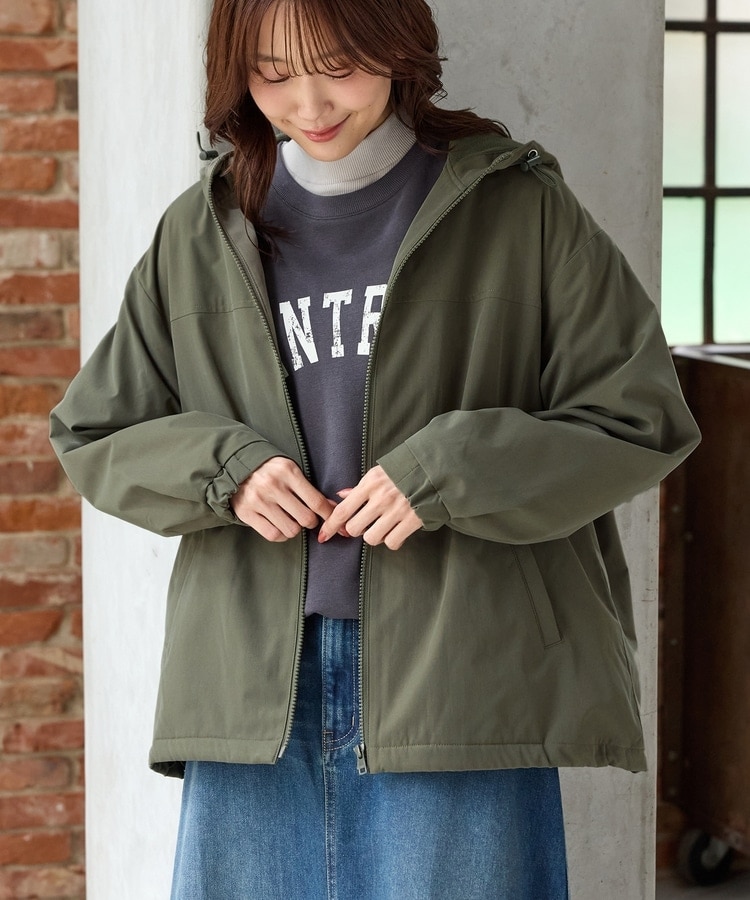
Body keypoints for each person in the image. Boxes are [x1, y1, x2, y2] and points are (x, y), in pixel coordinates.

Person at [49, 0, 700, 896]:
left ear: (398, 48)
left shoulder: (518, 211)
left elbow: (640, 416)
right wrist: (226, 472)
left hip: (461, 679)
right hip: (250, 688)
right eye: (274, 73)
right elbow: (93, 430)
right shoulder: (201, 231)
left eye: (340, 67)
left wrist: (449, 469)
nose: (309, 104)